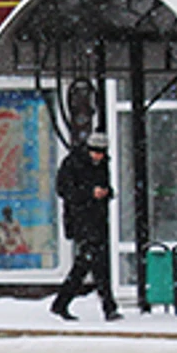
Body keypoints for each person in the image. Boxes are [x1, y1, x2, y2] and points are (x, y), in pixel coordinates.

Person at [52, 130, 120, 321]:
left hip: (97, 219)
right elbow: (63, 189)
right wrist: (90, 193)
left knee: (84, 264)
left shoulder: (102, 164)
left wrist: (106, 192)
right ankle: (109, 307)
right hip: (80, 219)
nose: (98, 156)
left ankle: (61, 303)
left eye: (101, 152)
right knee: (98, 264)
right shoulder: (73, 163)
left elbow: (103, 185)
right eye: (95, 152)